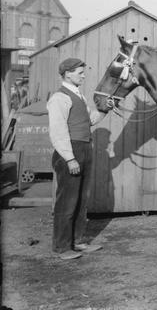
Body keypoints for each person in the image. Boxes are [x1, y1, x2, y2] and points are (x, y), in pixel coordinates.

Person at [47, 57, 113, 261]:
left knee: (81, 200)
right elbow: (58, 132)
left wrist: (105, 108)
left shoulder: (79, 97)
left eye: (83, 72)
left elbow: (89, 120)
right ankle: (61, 247)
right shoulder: (59, 98)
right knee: (67, 202)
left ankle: (76, 241)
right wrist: (69, 158)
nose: (83, 76)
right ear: (67, 74)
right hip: (70, 151)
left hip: (85, 148)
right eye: (80, 73)